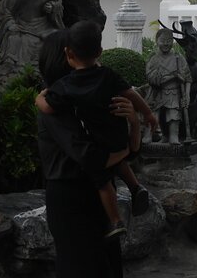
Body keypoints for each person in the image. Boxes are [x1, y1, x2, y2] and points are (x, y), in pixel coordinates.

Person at [36, 21, 158, 236]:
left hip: (85, 183)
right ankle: (134, 188)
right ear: (100, 52)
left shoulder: (63, 91)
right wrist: (145, 116)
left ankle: (116, 219)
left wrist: (39, 99)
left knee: (102, 179)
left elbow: (97, 158)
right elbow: (131, 94)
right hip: (86, 177)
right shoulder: (106, 78)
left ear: (69, 55)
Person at [37, 29, 136, 277]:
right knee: (80, 266)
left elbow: (129, 152)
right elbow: (91, 156)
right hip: (70, 196)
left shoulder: (92, 99)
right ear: (67, 59)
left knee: (108, 265)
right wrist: (122, 150)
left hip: (97, 193)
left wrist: (134, 121)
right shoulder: (54, 106)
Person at [0, 0, 65, 83]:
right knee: (14, 38)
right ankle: (14, 69)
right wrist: (10, 23)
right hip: (21, 25)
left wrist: (53, 7)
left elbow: (58, 6)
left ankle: (46, 68)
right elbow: (4, 10)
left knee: (56, 37)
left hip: (43, 26)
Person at [144, 28, 192, 144]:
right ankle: (148, 135)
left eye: (169, 40)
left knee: (174, 115)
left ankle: (173, 136)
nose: (166, 43)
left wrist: (187, 95)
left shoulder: (178, 57)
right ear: (157, 41)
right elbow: (151, 78)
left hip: (173, 92)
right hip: (156, 92)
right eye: (163, 40)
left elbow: (188, 78)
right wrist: (172, 76)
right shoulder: (153, 58)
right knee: (153, 114)